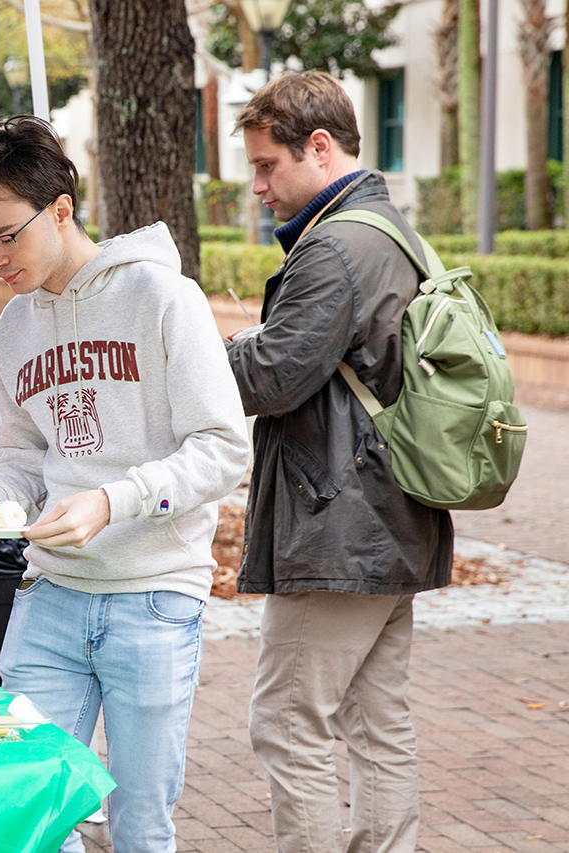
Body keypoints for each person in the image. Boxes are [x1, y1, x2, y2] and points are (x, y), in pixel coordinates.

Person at [0, 116, 250, 853]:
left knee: (142, 826)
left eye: (5, 236)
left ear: (60, 208)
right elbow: (20, 456)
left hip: (154, 594)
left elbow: (223, 448)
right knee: (32, 814)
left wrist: (116, 497)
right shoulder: (12, 332)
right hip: (48, 595)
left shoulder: (163, 299)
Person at [225, 70, 453, 853]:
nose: (258, 186)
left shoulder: (336, 247)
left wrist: (202, 353)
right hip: (395, 521)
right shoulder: (394, 231)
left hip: (338, 530)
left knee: (288, 724)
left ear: (320, 148)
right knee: (377, 722)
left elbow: (273, 376)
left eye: (267, 165)